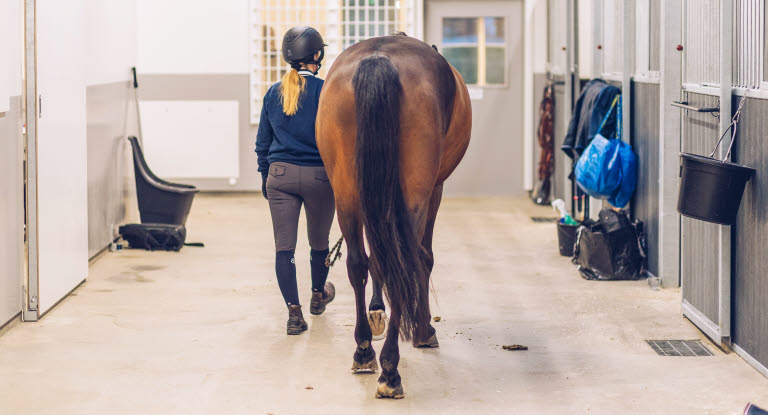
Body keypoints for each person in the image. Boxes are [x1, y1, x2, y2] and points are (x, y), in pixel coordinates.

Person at [255, 26, 335, 335]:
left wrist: (266, 177)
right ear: (317, 55)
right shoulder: (327, 91)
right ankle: (318, 295)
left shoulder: (274, 92)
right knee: (319, 245)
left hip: (280, 176)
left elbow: (263, 144)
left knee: (284, 249)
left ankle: (293, 313)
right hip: (319, 177)